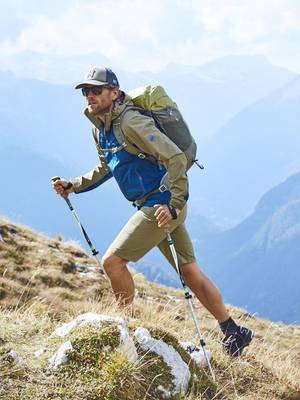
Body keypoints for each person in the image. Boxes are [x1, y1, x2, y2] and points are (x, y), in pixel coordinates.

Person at [52, 67, 253, 357]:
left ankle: (128, 331)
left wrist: (174, 205)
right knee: (190, 272)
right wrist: (74, 185)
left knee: (112, 263)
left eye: (96, 90)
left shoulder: (131, 121)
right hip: (156, 205)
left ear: (114, 92)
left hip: (160, 206)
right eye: (86, 91)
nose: (90, 96)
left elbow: (174, 157)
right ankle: (233, 330)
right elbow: (108, 167)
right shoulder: (99, 127)